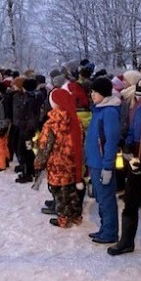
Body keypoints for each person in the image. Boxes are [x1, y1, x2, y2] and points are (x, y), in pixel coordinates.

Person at [107, 73, 141, 256]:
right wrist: (127, 141)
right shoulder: (136, 109)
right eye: (140, 97)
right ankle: (126, 240)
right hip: (135, 161)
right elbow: (132, 129)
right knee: (130, 201)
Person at [34, 88, 84, 228]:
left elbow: (45, 146)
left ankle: (63, 218)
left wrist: (39, 161)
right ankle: (75, 215)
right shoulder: (76, 120)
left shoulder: (52, 123)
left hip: (56, 163)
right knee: (71, 190)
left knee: (59, 192)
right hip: (72, 162)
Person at [85, 77, 121, 243]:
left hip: (102, 164)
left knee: (106, 200)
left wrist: (108, 166)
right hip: (94, 162)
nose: (92, 94)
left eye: (95, 92)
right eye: (91, 91)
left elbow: (111, 141)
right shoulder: (98, 109)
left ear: (104, 93)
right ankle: (104, 227)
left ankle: (110, 232)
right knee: (100, 199)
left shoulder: (109, 112)